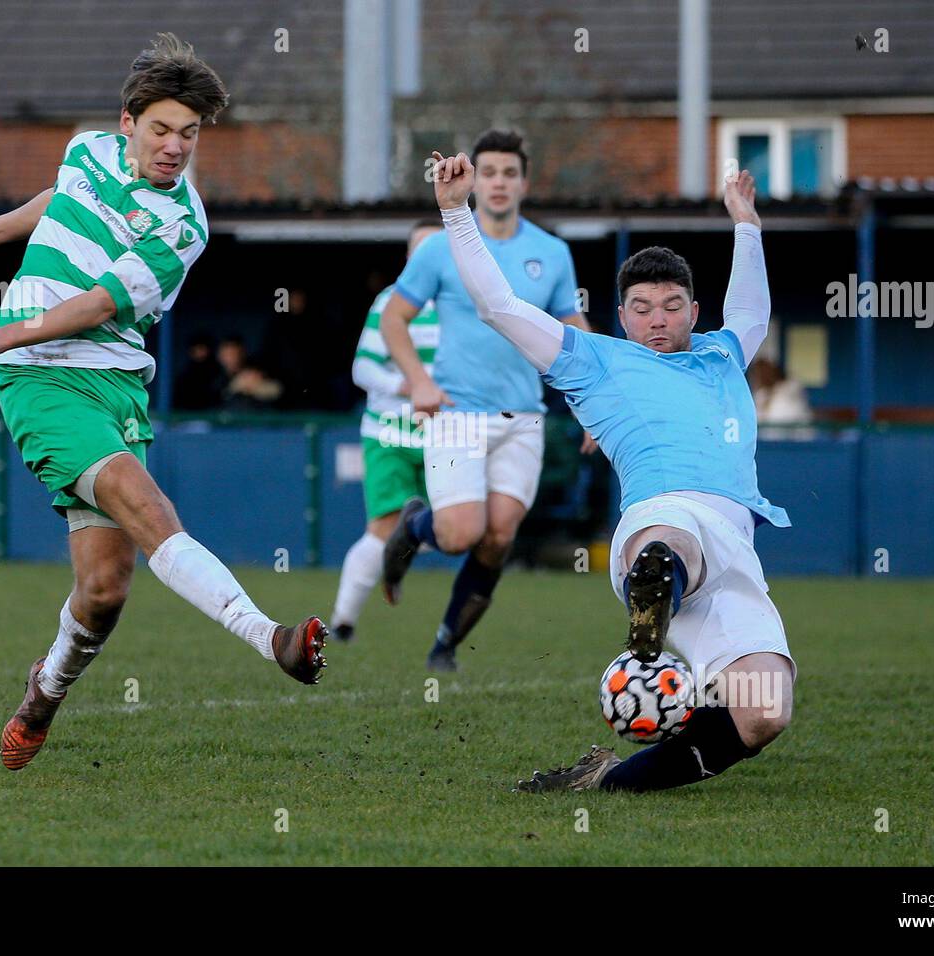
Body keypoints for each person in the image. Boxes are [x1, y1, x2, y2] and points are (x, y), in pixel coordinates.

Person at [0, 33, 328, 772]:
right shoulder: (87, 149)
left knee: (105, 588)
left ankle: (43, 693)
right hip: (39, 376)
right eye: (161, 130)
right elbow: (64, 195)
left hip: (111, 380)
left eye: (189, 134)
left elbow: (96, 305)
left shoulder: (182, 228)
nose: (175, 147)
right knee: (146, 505)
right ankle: (270, 636)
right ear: (127, 122)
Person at [426, 149, 795, 793]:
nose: (658, 319)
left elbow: (753, 313)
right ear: (621, 316)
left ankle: (609, 782)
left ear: (693, 311)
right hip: (663, 517)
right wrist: (457, 214)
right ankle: (653, 594)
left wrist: (746, 222)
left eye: (672, 305)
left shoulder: (722, 353)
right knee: (672, 538)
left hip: (737, 548)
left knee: (765, 710)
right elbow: (500, 305)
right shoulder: (592, 360)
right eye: (644, 307)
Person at [379, 130, 594, 671]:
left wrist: (596, 408)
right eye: (489, 172)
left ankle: (445, 644)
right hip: (457, 412)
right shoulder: (440, 247)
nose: (498, 183)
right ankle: (415, 528)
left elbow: (574, 330)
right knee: (460, 534)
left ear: (525, 181)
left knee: (498, 537)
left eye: (508, 173)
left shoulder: (552, 252)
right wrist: (418, 380)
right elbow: (393, 318)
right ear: (474, 179)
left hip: (523, 419)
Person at [329, 219, 441, 642]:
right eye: (419, 252)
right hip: (390, 432)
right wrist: (409, 386)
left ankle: (399, 557)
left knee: (455, 528)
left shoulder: (467, 305)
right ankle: (342, 622)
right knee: (381, 528)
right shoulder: (390, 302)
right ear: (408, 258)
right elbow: (363, 368)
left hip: (447, 435)